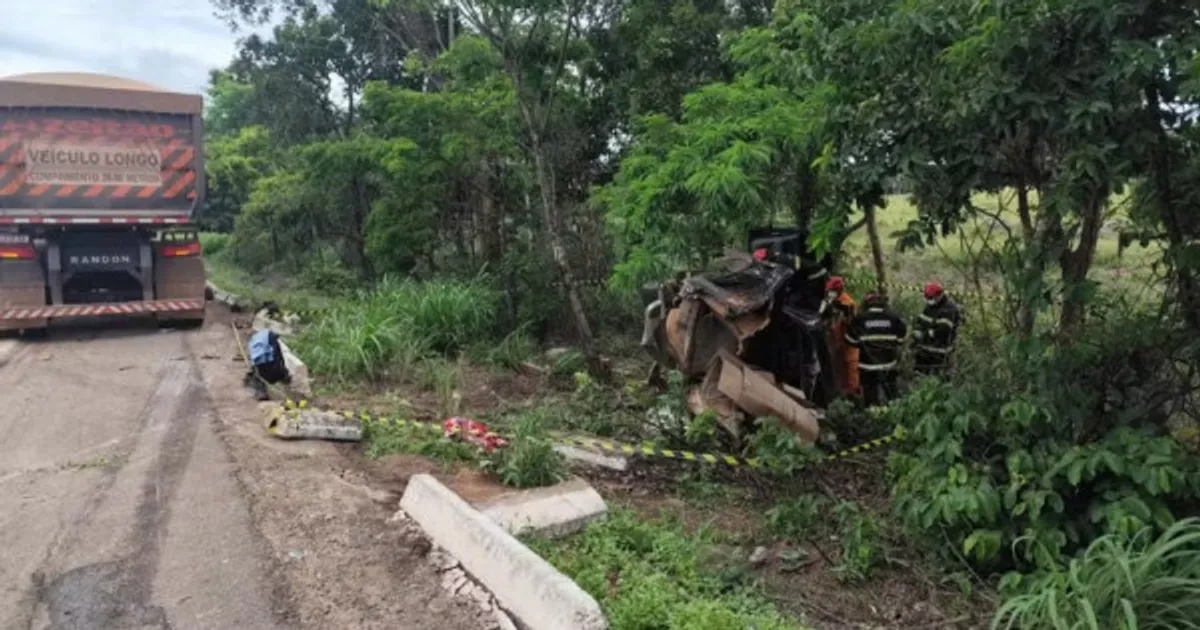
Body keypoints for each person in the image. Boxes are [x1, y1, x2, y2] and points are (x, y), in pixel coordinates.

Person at [846, 292, 906, 406]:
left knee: (869, 393)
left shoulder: (859, 319)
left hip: (867, 364)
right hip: (889, 363)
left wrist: (863, 345)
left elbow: (850, 340)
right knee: (891, 392)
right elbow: (901, 339)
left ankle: (871, 412)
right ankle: (894, 411)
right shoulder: (893, 317)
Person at [912, 281, 964, 376]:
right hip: (924, 349)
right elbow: (921, 321)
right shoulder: (930, 306)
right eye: (927, 297)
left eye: (931, 298)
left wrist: (925, 334)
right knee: (919, 374)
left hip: (940, 351)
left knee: (938, 376)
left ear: (939, 295)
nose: (928, 300)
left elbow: (943, 331)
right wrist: (916, 332)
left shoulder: (949, 309)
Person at [822, 276, 860, 397]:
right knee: (836, 370)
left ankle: (853, 397)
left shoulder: (847, 303)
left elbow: (851, 322)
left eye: (832, 290)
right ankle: (837, 394)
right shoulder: (830, 301)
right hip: (834, 341)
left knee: (850, 370)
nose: (830, 293)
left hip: (847, 342)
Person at [245, 328, 291, 401]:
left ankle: (261, 391)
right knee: (268, 374)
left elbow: (253, 357)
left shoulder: (255, 340)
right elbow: (279, 357)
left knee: (259, 374)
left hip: (261, 363)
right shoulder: (270, 339)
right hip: (269, 365)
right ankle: (263, 392)